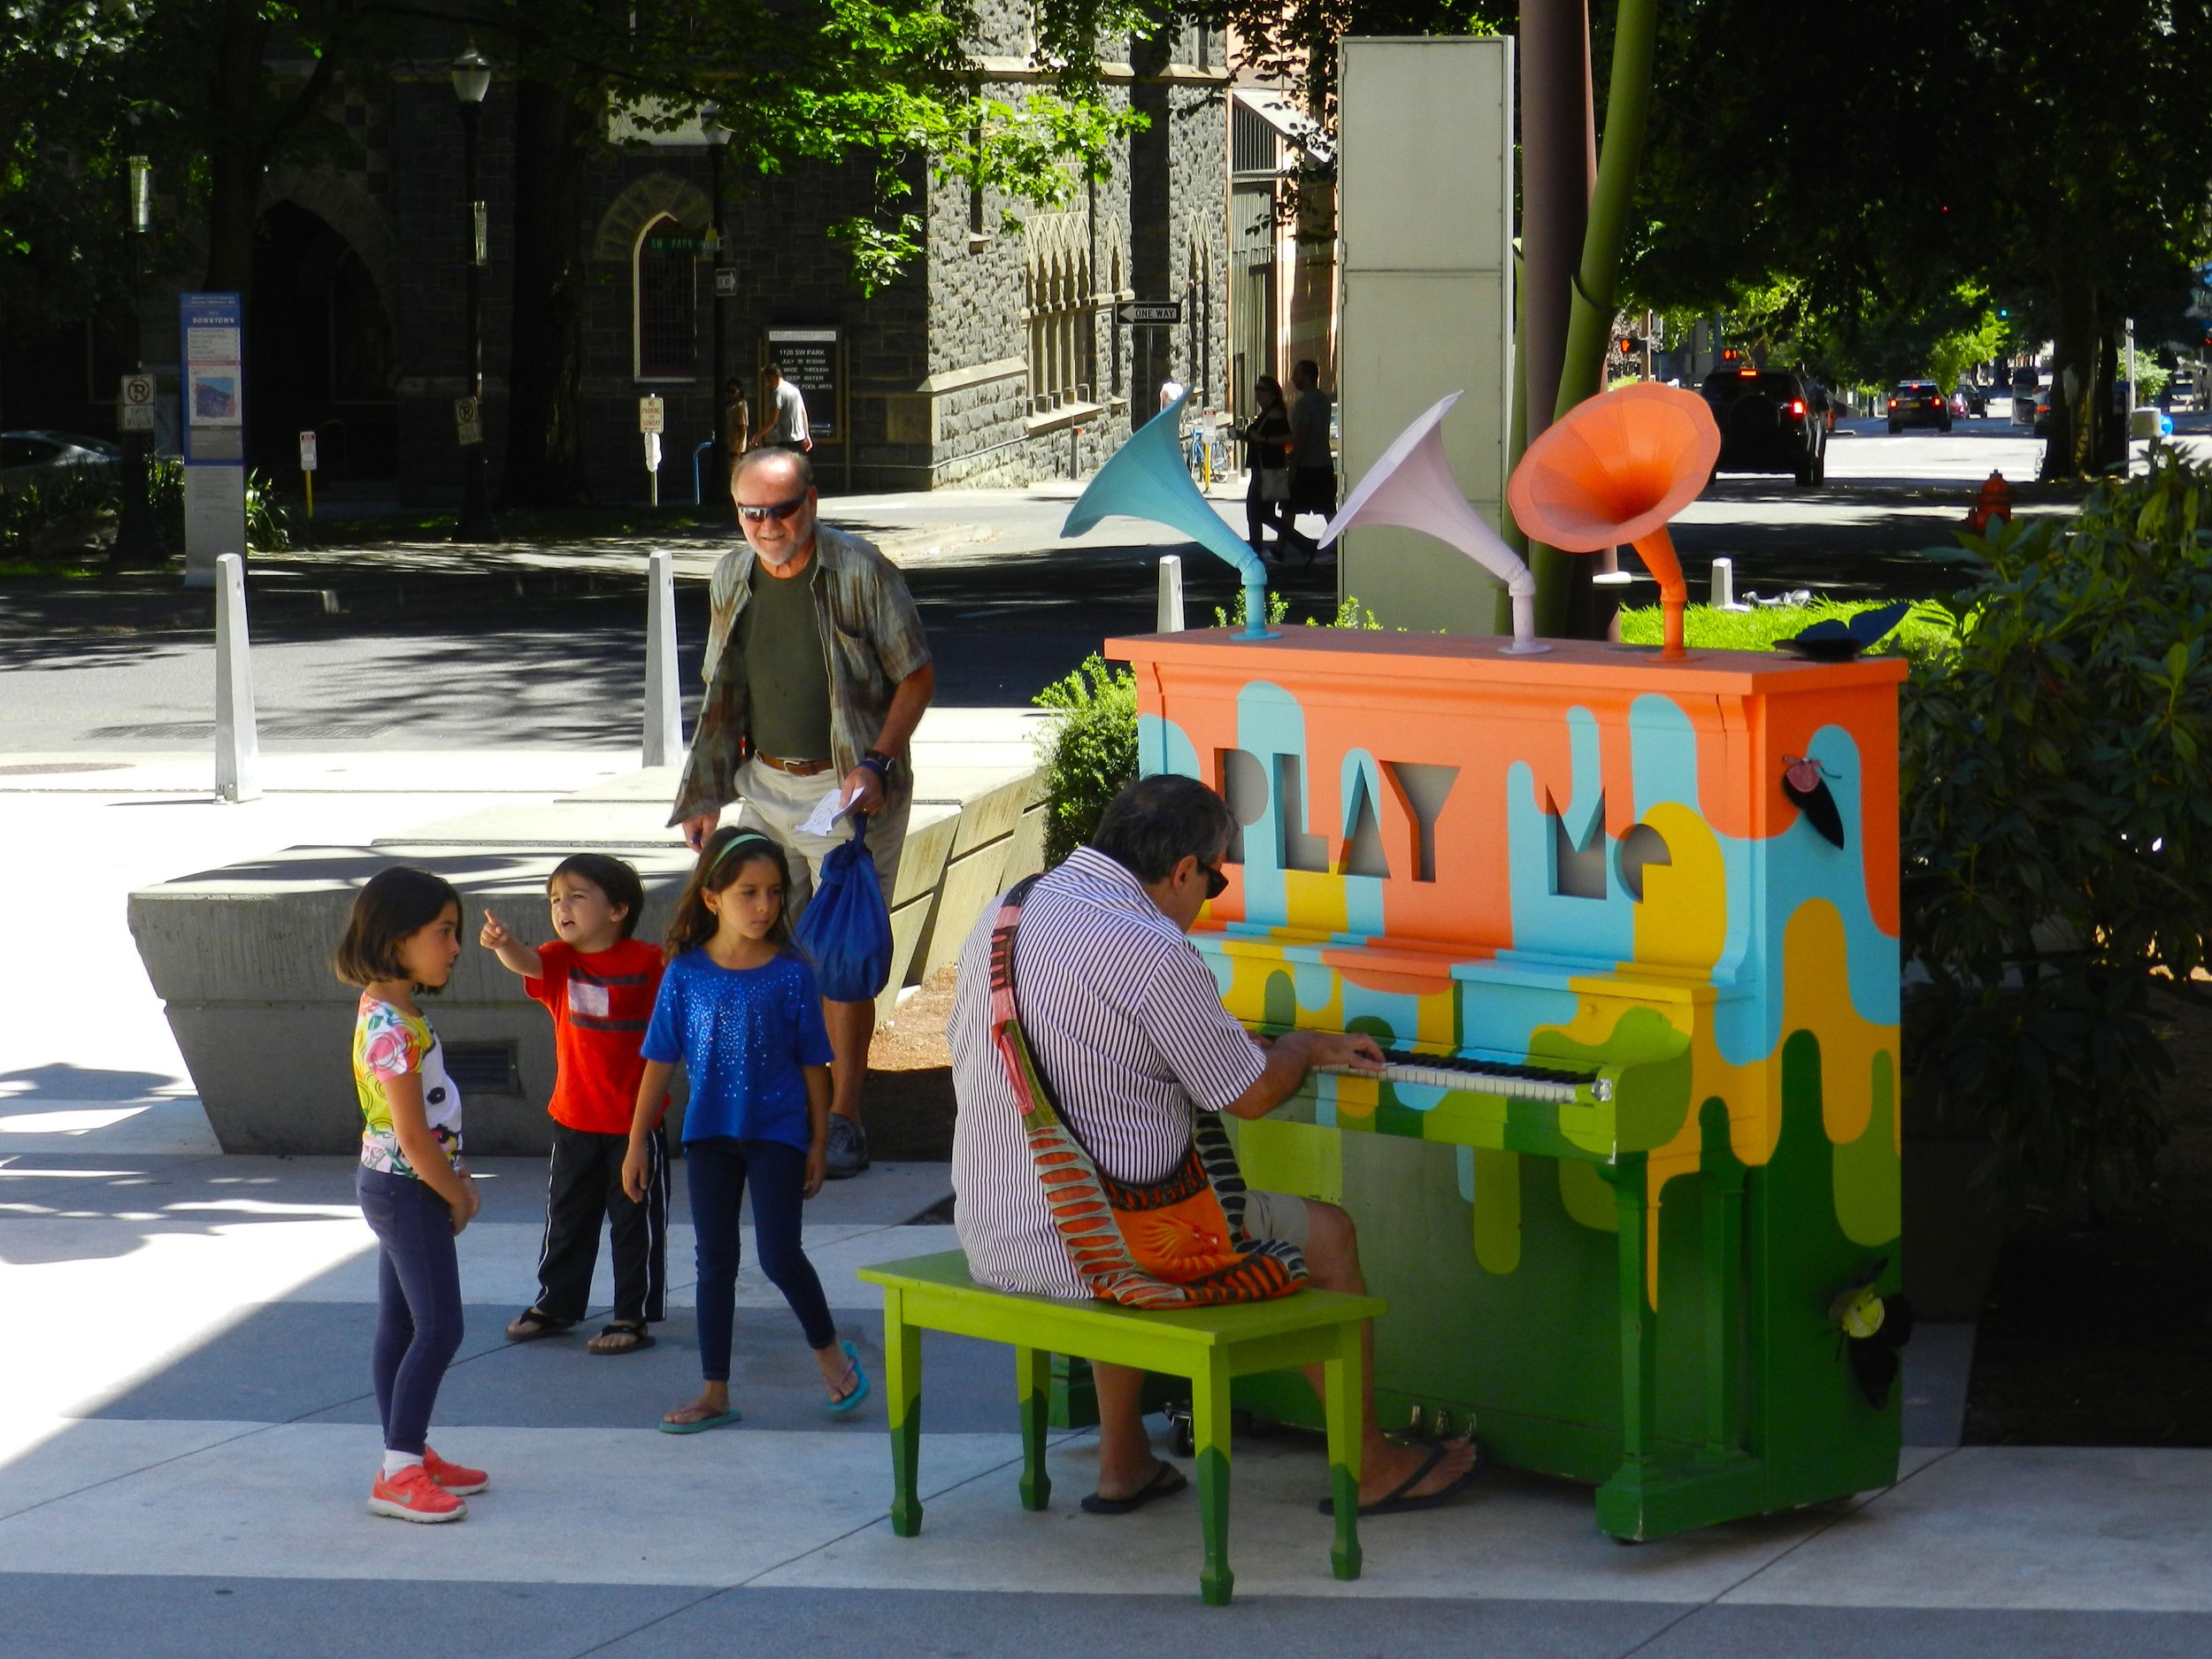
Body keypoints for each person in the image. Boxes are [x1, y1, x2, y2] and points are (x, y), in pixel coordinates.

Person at [948, 775, 1481, 1516]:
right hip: (1095, 1246)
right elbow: (1252, 1095)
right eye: (1218, 876)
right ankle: (1370, 1463)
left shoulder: (1007, 911)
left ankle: (1123, 1459)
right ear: (1182, 872)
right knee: (1330, 1233)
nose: (1211, 896)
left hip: (996, 1224)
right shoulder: (1146, 946)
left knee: (1126, 1174)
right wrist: (1299, 1044)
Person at [672, 445, 934, 1179]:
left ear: (810, 505)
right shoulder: (731, 574)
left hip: (850, 793)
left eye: (782, 510)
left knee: (841, 962)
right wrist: (707, 793)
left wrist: (876, 762)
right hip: (764, 786)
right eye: (753, 513)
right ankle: (769, 1103)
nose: (768, 525)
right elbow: (722, 688)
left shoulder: (859, 569)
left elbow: (916, 676)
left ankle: (846, 1114)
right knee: (752, 941)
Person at [625, 827, 869, 1432]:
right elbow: (659, 1060)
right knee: (714, 1262)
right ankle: (714, 1390)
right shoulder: (684, 974)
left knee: (780, 1253)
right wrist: (636, 1141)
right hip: (709, 1135)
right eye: (748, 892)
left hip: (778, 1135)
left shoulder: (790, 974)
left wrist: (818, 1138)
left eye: (773, 893)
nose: (763, 906)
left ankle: (831, 1355)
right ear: (712, 897)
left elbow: (815, 1062)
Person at [333, 866, 488, 1525]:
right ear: (399, 940)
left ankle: (409, 1451)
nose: (455, 946)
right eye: (444, 932)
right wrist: (458, 1194)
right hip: (408, 1186)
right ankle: (398, 1468)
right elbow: (414, 1137)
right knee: (440, 1326)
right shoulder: (393, 1026)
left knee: (401, 1323)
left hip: (395, 1185)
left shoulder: (393, 1009)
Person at [481, 854, 670, 1356]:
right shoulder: (560, 961)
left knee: (635, 1223)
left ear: (618, 910)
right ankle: (557, 1302)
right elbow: (529, 962)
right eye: (554, 900)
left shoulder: (649, 962)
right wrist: (504, 946)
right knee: (566, 1217)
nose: (562, 908)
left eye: (577, 897)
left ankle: (632, 1315)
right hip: (574, 1119)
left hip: (635, 1126)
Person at [1240, 375, 1298, 562]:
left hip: (1269, 471)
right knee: (1260, 514)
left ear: (1273, 394)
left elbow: (1288, 439)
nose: (1258, 393)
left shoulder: (1275, 414)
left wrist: (1262, 439)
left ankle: (1302, 544)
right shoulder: (1266, 414)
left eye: (1262, 389)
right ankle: (1257, 552)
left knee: (1259, 514)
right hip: (1263, 470)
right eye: (1256, 389)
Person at [1287, 358, 1336, 555]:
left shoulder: (1303, 405)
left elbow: (1302, 436)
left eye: (1297, 374)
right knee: (1327, 509)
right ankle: (1337, 545)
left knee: (1289, 508)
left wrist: (1294, 462)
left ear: (1308, 377)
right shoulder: (1324, 400)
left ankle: (1282, 550)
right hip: (1323, 462)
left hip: (1308, 466)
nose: (1293, 378)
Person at [751, 362, 811, 452]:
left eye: (767, 380)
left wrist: (757, 436)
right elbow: (803, 413)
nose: (767, 384)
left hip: (785, 440)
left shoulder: (777, 393)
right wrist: (807, 436)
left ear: (772, 376)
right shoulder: (795, 390)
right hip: (800, 439)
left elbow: (773, 420)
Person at [723, 376, 752, 473]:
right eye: (728, 391)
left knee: (733, 473)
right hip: (728, 444)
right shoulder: (729, 406)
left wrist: (739, 448)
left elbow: (743, 427)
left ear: (739, 391)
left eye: (733, 391)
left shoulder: (741, 405)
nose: (730, 394)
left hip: (735, 447)